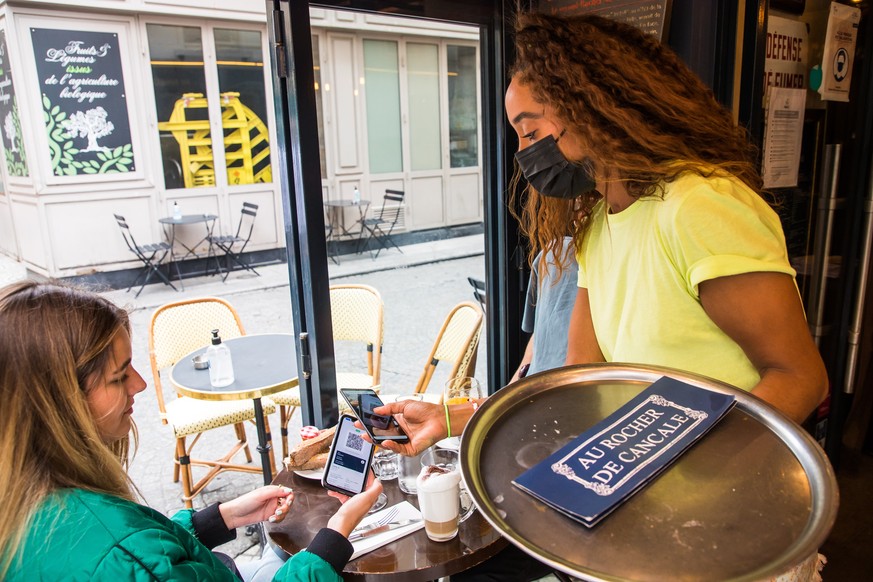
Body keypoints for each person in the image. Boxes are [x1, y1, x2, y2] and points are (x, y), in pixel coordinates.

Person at [0, 280, 382, 581]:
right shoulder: (119, 551)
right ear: (59, 403)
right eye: (119, 376)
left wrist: (217, 519)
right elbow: (139, 560)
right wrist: (334, 537)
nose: (140, 385)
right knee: (285, 553)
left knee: (276, 550)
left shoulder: (26, 506)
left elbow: (150, 554)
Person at [511, 236, 579, 382]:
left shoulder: (556, 252)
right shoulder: (555, 252)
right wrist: (504, 394)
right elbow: (539, 334)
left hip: (554, 391)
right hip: (540, 388)